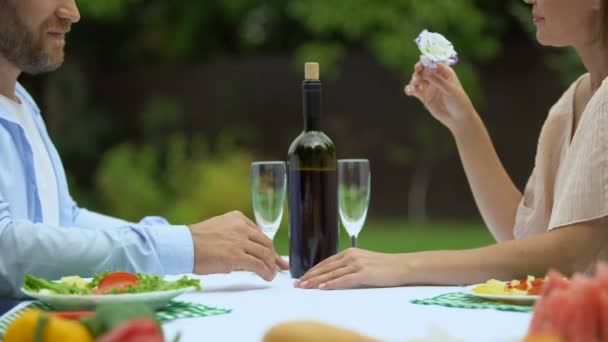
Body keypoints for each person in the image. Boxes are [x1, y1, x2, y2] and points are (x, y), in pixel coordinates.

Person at [294, 0, 608, 290]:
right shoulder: (573, 101)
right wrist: (463, 123)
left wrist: (404, 265)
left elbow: (568, 253)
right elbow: (525, 239)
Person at [0, 0, 288, 299]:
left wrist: (200, 243)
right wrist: (181, 247)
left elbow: (64, 219)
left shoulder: (22, 102)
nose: (72, 13)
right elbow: (6, 251)